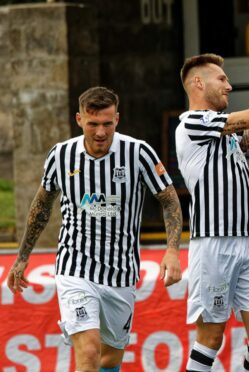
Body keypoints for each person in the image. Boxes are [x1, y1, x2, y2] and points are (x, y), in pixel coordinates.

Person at [7, 86, 183, 372]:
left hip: (121, 272)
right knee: (88, 352)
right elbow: (41, 207)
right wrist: (23, 257)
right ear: (79, 120)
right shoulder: (61, 155)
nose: (100, 132)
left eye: (107, 124)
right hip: (75, 268)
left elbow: (169, 199)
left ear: (117, 119)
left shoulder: (138, 153)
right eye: (93, 124)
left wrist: (172, 251)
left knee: (109, 358)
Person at [176, 31, 249, 372]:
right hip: (213, 243)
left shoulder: (223, 131)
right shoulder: (194, 123)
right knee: (211, 336)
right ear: (198, 84)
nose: (229, 86)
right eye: (222, 79)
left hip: (248, 243)